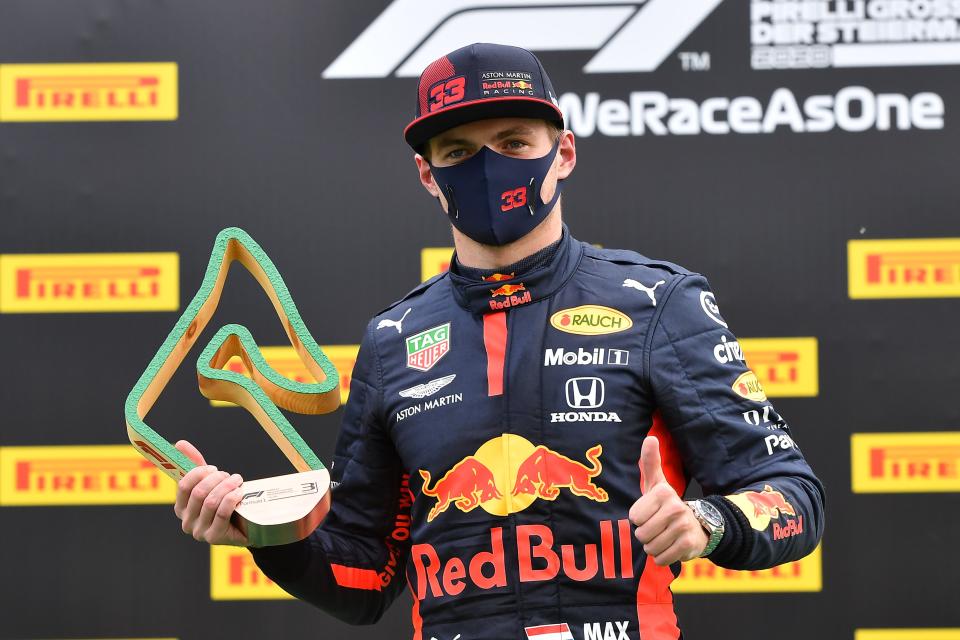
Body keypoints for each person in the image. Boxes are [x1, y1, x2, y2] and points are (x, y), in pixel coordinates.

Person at [173, 43, 825, 639]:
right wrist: (261, 533)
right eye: (458, 152)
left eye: (513, 142)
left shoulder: (660, 304)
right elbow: (363, 578)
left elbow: (794, 498)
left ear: (563, 152)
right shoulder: (392, 341)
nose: (486, 166)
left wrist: (708, 524)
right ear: (428, 175)